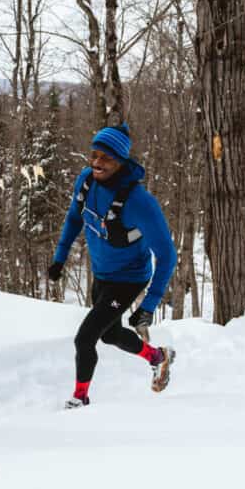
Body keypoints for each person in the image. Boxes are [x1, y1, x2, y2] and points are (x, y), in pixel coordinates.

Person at [48, 123, 176, 409]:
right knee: (110, 335)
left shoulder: (140, 202)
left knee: (85, 339)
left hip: (129, 279)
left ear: (121, 161)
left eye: (105, 158)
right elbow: (73, 218)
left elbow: (167, 255)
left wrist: (148, 306)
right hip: (103, 274)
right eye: (94, 155)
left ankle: (80, 398)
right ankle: (158, 357)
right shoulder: (86, 181)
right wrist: (60, 257)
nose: (97, 163)